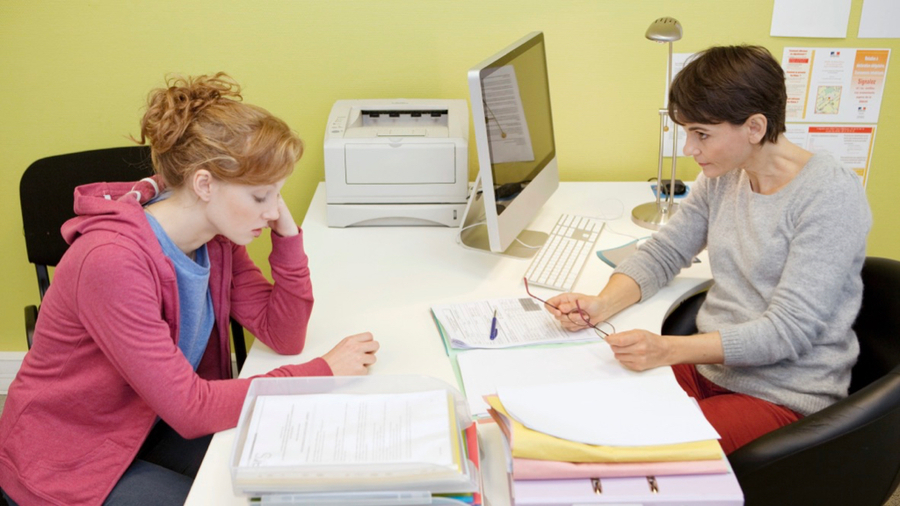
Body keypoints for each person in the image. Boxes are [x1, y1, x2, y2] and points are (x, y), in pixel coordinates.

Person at [0, 73, 379, 506]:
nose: (273, 210)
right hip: (68, 457)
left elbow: (284, 334)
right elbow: (191, 407)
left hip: (150, 423)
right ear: (204, 185)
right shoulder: (111, 261)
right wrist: (324, 371)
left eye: (278, 195)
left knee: (295, 474)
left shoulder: (214, 240)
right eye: (260, 197)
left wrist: (287, 235)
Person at [545, 46, 871, 455]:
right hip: (711, 368)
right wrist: (601, 304)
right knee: (586, 402)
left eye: (701, 134)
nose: (689, 149)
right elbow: (665, 252)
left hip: (782, 392)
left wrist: (667, 350)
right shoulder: (726, 175)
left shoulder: (830, 196)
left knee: (633, 449)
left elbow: (786, 333)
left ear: (754, 127)